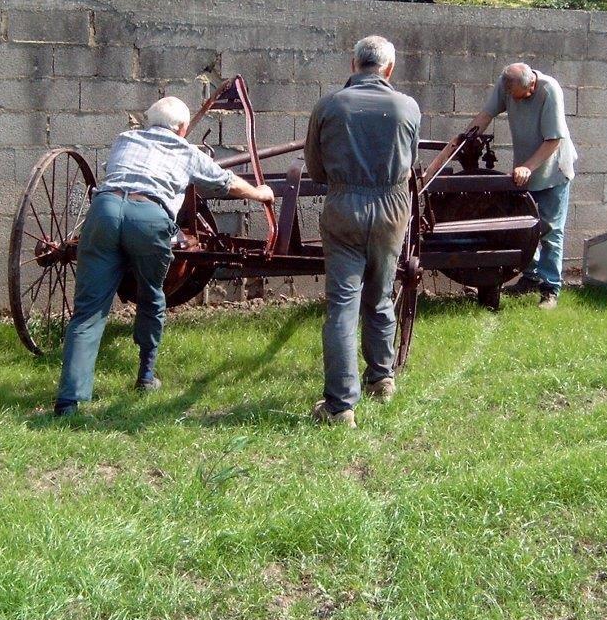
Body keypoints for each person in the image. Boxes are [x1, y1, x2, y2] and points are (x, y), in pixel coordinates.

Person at [53, 96, 274, 416]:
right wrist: (260, 193)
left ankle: (69, 401)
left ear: (147, 121)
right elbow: (225, 183)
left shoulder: (125, 139)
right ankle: (145, 376)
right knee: (152, 295)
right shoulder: (187, 151)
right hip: (149, 216)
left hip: (104, 211)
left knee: (88, 310)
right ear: (183, 128)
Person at [304, 35, 421, 428]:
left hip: (343, 207)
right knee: (382, 293)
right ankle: (382, 377)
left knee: (342, 306)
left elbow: (316, 168)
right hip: (391, 207)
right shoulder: (408, 107)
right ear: (388, 69)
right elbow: (410, 161)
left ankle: (340, 406)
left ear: (353, 65)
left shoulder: (329, 105)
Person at [432, 62, 576, 308]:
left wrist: (527, 167)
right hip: (525, 171)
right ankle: (529, 279)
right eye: (515, 97)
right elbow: (486, 116)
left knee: (550, 230)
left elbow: (554, 140)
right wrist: (466, 139)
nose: (521, 99)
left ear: (531, 83)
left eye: (525, 94)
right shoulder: (506, 84)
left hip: (553, 169)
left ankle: (550, 288)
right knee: (522, 227)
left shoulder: (549, 90)